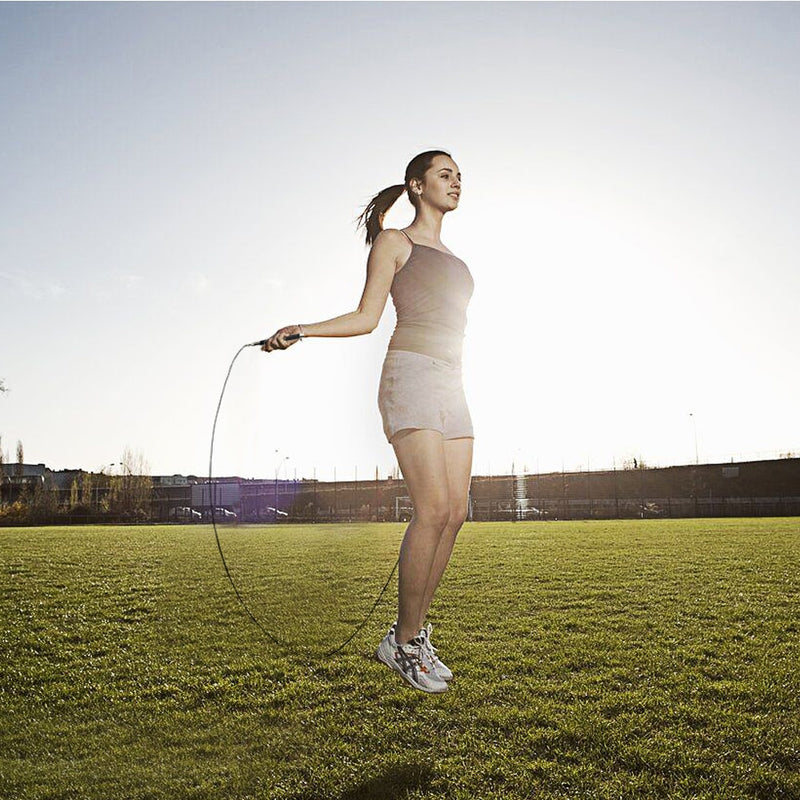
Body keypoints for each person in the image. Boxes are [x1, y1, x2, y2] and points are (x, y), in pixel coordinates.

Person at [261, 150, 474, 693]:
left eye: (459, 176)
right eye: (444, 174)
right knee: (430, 510)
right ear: (417, 186)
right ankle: (401, 643)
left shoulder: (451, 255)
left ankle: (415, 635)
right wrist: (301, 330)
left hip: (453, 381)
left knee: (455, 512)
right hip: (412, 376)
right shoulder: (395, 243)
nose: (456, 182)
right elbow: (366, 317)